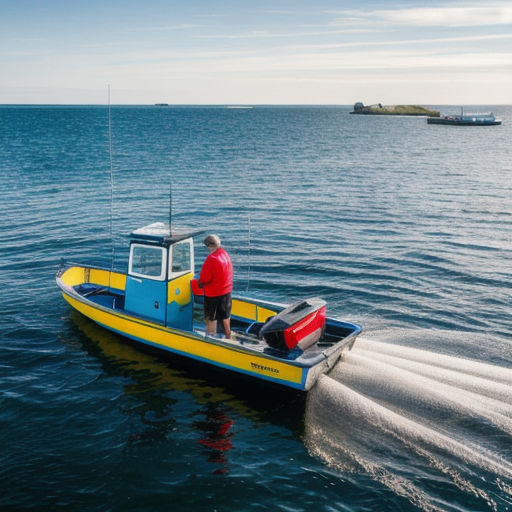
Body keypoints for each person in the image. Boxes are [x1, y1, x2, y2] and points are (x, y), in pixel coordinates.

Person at [198, 234, 233, 338]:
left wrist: (200, 283)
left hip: (213, 293)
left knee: (211, 317)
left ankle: (210, 337)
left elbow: (205, 278)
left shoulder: (212, 258)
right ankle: (228, 334)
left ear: (210, 245)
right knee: (225, 315)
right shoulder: (225, 254)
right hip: (226, 291)